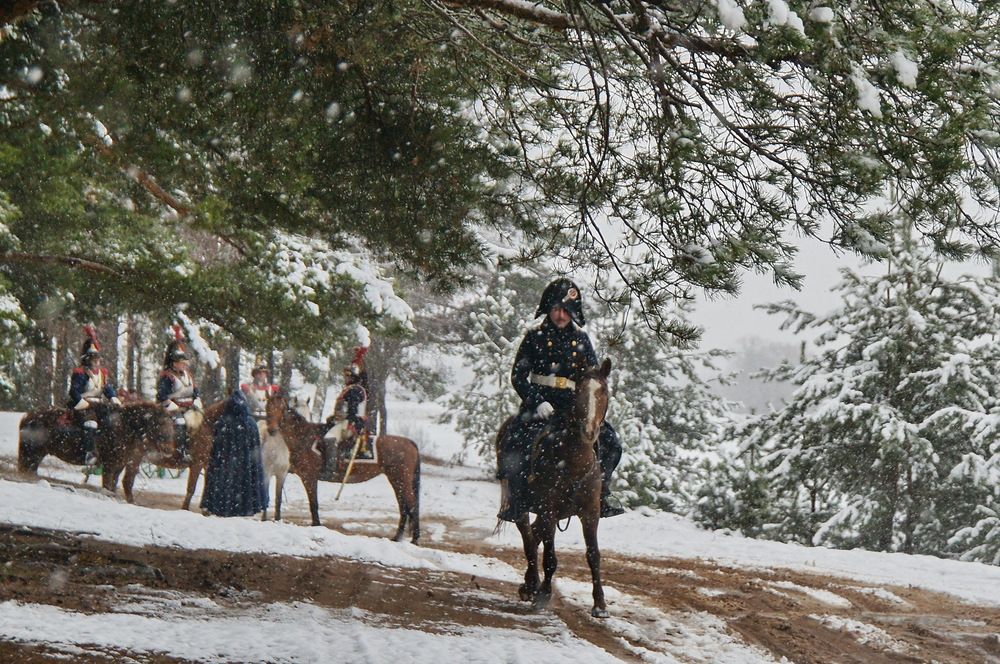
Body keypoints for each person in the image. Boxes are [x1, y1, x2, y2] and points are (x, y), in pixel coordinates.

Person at [497, 278, 625, 521]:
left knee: (611, 443)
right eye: (556, 309)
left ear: (574, 312)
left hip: (572, 408)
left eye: (566, 310)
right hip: (539, 406)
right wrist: (537, 401)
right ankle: (516, 501)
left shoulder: (582, 340)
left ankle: (603, 493)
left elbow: (591, 376)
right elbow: (518, 376)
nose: (561, 315)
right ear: (548, 309)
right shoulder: (534, 337)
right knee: (514, 441)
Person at [200, 388, 268, 517]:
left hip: (226, 468)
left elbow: (216, 449)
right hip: (245, 468)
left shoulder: (222, 424)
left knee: (226, 481)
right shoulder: (251, 424)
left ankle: (223, 505)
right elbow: (256, 451)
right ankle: (246, 506)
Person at [68, 325, 121, 466]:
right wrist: (82, 402)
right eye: (94, 359)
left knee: (113, 422)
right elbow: (74, 391)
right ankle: (88, 453)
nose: (97, 362)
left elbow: (106, 388)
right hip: (85, 405)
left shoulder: (102, 374)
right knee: (90, 423)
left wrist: (113, 398)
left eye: (98, 359)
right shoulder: (80, 373)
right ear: (87, 360)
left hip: (100, 405)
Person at [320, 346, 371, 480]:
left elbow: (351, 412)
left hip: (351, 423)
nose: (345, 378)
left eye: (348, 376)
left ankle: (330, 470)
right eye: (345, 376)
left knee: (329, 438)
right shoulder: (352, 388)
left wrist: (340, 419)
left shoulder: (354, 390)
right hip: (348, 421)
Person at [156, 326, 203, 463]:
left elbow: (195, 391)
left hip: (189, 407)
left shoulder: (188, 375)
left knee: (202, 422)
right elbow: (162, 396)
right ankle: (181, 452)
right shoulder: (167, 377)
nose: (183, 365)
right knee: (180, 422)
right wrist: (174, 407)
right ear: (174, 364)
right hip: (172, 409)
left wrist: (197, 400)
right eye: (180, 363)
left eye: (184, 363)